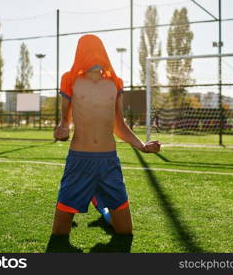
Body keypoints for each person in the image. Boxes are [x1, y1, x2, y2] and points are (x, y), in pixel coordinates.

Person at [52, 34, 161, 238]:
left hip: (109, 162)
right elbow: (65, 122)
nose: (93, 54)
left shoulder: (115, 83)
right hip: (79, 161)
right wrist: (62, 130)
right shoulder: (69, 79)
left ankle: (101, 207)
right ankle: (95, 197)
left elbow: (119, 125)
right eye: (88, 48)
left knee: (125, 231)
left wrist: (143, 146)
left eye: (97, 48)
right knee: (59, 233)